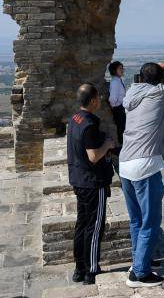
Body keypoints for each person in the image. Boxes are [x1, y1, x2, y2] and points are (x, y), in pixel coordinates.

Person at [119, 62, 164, 288]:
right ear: (161, 80)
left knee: (136, 220)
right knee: (150, 220)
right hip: (145, 165)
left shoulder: (132, 92)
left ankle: (140, 260)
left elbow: (139, 82)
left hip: (125, 164)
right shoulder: (159, 93)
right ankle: (139, 274)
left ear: (140, 77)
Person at [67, 84, 116, 285]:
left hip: (78, 179)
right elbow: (94, 156)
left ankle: (79, 268)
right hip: (93, 183)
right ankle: (91, 270)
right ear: (94, 100)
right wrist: (108, 144)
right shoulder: (89, 124)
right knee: (95, 227)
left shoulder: (74, 119)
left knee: (82, 224)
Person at [108, 61, 127, 146]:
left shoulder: (118, 80)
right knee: (121, 129)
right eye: (120, 68)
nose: (122, 70)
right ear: (114, 70)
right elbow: (113, 98)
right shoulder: (115, 82)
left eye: (122, 68)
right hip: (118, 108)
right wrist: (114, 107)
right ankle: (121, 147)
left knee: (122, 128)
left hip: (120, 108)